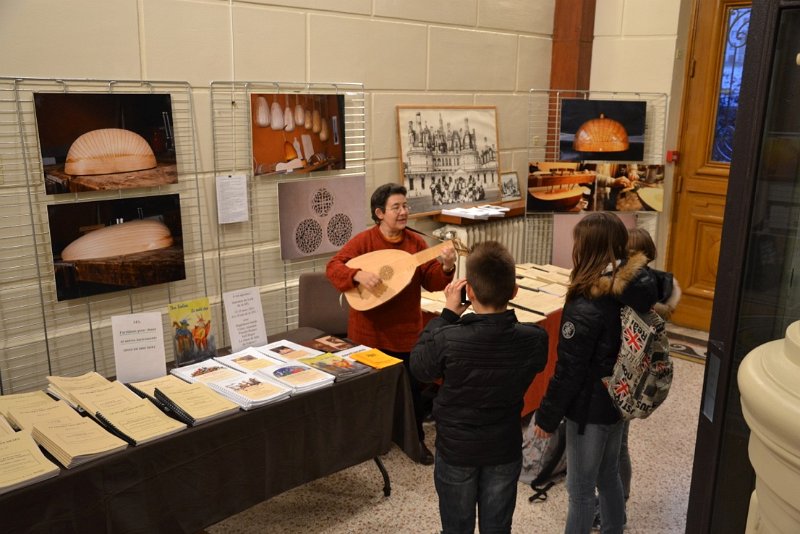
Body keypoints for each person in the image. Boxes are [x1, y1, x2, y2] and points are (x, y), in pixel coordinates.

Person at [533, 212, 661, 534]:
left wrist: (547, 418)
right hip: (617, 401)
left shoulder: (585, 304)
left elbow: (569, 371)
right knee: (608, 477)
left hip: (589, 412)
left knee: (579, 492)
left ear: (587, 250)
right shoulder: (629, 290)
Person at [410, 241, 549, 533]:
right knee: (498, 527)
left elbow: (420, 367)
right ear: (514, 292)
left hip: (457, 450)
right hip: (504, 447)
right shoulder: (535, 339)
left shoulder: (448, 338)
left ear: (468, 291)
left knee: (456, 527)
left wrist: (447, 315)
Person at [326, 183, 456, 465]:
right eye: (396, 207)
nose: (403, 212)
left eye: (405, 206)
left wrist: (446, 267)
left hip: (406, 333)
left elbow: (431, 281)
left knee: (412, 392)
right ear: (379, 213)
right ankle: (367, 442)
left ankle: (414, 440)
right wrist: (357, 274)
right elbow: (334, 267)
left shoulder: (417, 244)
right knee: (370, 393)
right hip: (368, 333)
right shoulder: (364, 242)